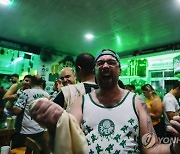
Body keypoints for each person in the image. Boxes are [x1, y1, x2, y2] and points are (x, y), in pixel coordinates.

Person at [30, 50, 180, 153]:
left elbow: (151, 148)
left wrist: (177, 147)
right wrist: (53, 128)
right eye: (100, 63)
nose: (105, 65)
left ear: (120, 70)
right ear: (94, 71)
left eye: (111, 62)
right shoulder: (80, 103)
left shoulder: (137, 102)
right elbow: (67, 145)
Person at [11, 75, 50, 150]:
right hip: (39, 131)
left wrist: (14, 103)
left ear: (31, 82)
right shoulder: (47, 95)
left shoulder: (27, 92)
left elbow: (16, 110)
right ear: (41, 83)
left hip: (25, 132)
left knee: (18, 150)